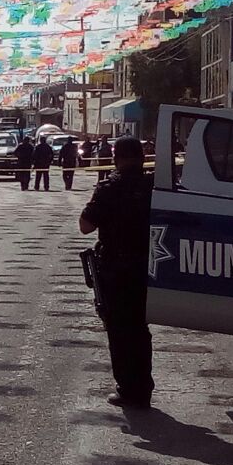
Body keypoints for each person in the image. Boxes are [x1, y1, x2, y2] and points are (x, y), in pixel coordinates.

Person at [79, 136, 154, 409]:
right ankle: (143, 387)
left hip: (115, 269)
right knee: (140, 328)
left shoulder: (109, 187)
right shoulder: (153, 187)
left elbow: (85, 225)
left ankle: (128, 389)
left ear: (116, 158)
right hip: (146, 266)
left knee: (119, 331)